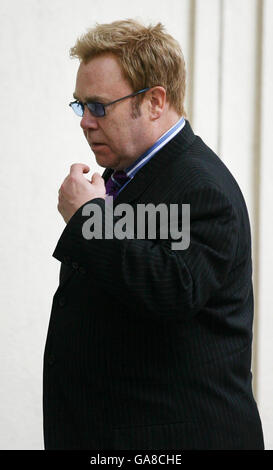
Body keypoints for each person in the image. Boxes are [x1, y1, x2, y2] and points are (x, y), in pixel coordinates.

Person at [43, 19, 264, 450]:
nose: (85, 122)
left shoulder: (201, 186)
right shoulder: (126, 175)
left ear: (155, 101)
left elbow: (170, 288)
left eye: (99, 107)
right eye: (79, 106)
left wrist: (89, 220)